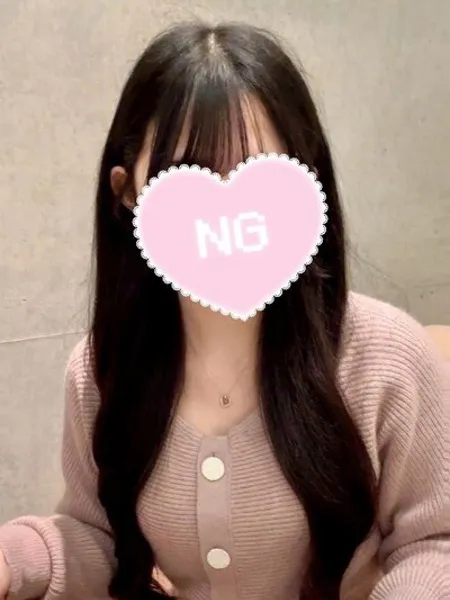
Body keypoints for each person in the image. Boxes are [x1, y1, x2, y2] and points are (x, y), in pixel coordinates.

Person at [0, 21, 449, 600]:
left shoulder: (387, 358)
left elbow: (434, 542)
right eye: (189, 173)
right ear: (128, 192)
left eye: (258, 171)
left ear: (306, 181)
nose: (226, 208)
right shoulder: (101, 369)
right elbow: (100, 535)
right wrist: (13, 560)